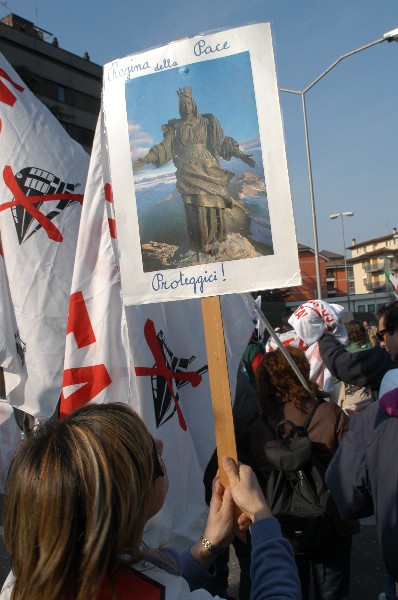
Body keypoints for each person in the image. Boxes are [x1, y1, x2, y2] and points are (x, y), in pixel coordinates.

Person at [1, 402, 301, 600]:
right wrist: (262, 517)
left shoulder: (26, 579)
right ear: (127, 500)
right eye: (146, 453)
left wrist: (207, 545)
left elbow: (143, 574)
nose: (160, 443)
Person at [250, 347, 358, 600]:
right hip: (331, 518)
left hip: (281, 521)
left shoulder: (258, 427)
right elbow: (352, 465)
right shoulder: (329, 413)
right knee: (332, 593)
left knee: (288, 590)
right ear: (303, 372)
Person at [325, 301, 398, 589]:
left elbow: (347, 491)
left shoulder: (374, 420)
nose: (380, 343)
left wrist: (322, 337)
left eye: (382, 335)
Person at [134, 86, 256, 253]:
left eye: (188, 103)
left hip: (209, 168)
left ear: (193, 104)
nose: (185, 107)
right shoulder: (175, 128)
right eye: (182, 104)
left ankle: (216, 241)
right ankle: (200, 243)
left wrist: (241, 155)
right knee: (195, 208)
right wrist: (145, 159)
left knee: (214, 204)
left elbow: (222, 142)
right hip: (188, 172)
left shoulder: (207, 122)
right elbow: (163, 148)